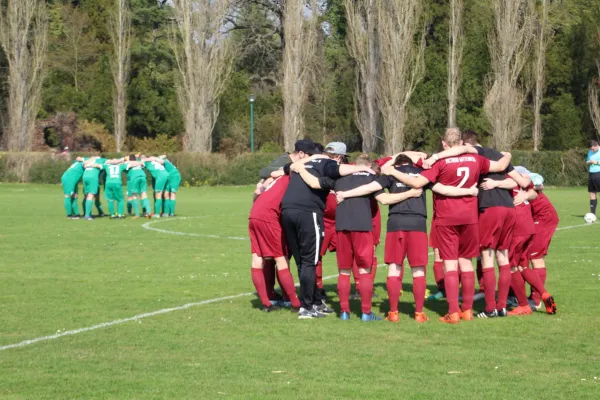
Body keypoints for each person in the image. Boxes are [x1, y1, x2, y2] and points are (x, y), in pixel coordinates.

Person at [386, 128, 511, 324]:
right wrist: (508, 154)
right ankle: (467, 311)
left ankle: (453, 312)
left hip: (446, 217)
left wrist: (392, 170)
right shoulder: (476, 160)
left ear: (444, 143)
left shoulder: (439, 162)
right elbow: (500, 166)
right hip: (470, 216)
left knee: (450, 263)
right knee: (467, 262)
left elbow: (417, 182)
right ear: (462, 142)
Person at [337, 152, 479, 323]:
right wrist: (469, 190)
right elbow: (442, 189)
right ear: (411, 164)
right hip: (418, 224)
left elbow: (372, 189)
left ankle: (393, 312)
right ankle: (419, 313)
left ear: (396, 165)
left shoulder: (390, 174)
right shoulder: (421, 174)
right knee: (418, 270)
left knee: (395, 267)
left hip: (395, 223)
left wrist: (346, 194)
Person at [280, 140, 377, 319]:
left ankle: (315, 301)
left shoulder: (304, 162)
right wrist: (361, 168)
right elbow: (330, 175)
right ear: (339, 158)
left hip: (286, 210)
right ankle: (307, 307)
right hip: (308, 212)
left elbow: (282, 170)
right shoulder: (328, 164)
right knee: (311, 261)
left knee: (302, 261)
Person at [460, 130, 529, 318]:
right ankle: (502, 306)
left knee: (487, 256)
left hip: (489, 209)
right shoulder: (499, 155)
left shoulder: (472, 156)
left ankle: (490, 308)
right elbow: (521, 181)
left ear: (466, 144)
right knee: (503, 256)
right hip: (508, 208)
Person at [483, 167, 557, 316]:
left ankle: (524, 305)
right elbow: (534, 188)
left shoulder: (500, 180)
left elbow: (534, 189)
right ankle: (544, 295)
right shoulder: (518, 178)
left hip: (518, 226)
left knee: (512, 266)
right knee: (523, 264)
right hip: (528, 224)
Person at [528, 173, 559, 310]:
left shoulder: (516, 171)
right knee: (533, 257)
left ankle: (536, 300)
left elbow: (537, 180)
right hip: (541, 216)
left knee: (535, 257)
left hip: (543, 217)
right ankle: (533, 297)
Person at [586, 140, 600, 215]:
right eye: (591, 149)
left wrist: (596, 162)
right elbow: (587, 161)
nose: (591, 150)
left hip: (599, 173)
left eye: (593, 149)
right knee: (592, 193)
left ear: (596, 145)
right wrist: (590, 162)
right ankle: (592, 214)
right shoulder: (590, 152)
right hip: (591, 174)